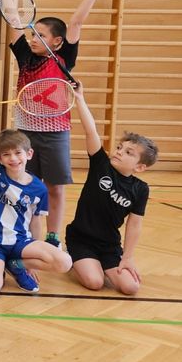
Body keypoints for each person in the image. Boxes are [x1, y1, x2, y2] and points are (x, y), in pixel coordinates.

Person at [0, 0, 102, 246]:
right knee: (27, 186)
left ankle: (53, 237)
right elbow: (13, 19)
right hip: (24, 134)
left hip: (56, 133)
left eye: (40, 35)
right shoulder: (25, 55)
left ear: (56, 41)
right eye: (32, 34)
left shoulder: (64, 56)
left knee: (55, 188)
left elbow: (76, 22)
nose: (33, 38)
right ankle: (26, 235)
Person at [0, 114, 73, 297]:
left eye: (18, 153)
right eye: (6, 154)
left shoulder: (39, 188)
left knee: (64, 262)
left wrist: (32, 257)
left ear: (29, 154)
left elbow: (35, 221)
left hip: (21, 242)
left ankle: (16, 265)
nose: (13, 158)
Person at [65, 85, 157, 296]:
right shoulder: (101, 165)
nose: (119, 153)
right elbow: (91, 131)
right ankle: (76, 260)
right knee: (95, 282)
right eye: (118, 148)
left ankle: (99, 264)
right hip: (81, 239)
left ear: (140, 167)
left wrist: (128, 257)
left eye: (128, 152)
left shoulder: (140, 189)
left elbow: (134, 225)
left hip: (109, 245)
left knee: (130, 287)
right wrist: (79, 99)